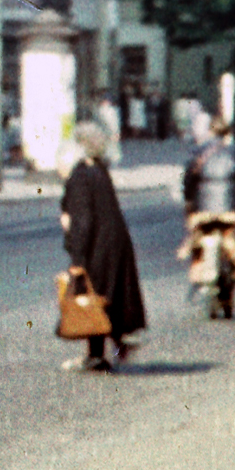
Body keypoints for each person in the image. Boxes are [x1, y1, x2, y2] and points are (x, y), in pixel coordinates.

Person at [58, 119, 147, 373]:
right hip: (116, 242)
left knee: (91, 297)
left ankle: (96, 356)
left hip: (97, 245)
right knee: (109, 295)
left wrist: (77, 259)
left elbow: (83, 221)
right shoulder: (99, 169)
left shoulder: (80, 176)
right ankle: (117, 346)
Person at [178, 110, 235, 321]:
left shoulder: (197, 152)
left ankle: (198, 269)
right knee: (232, 241)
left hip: (202, 209)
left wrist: (189, 202)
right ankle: (234, 271)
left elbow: (188, 181)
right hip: (230, 208)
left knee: (196, 236)